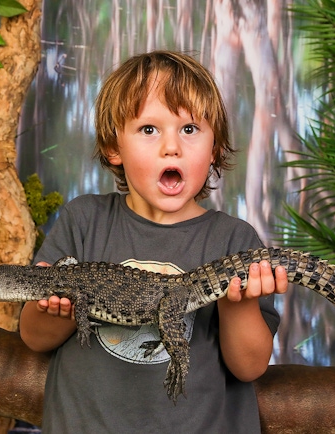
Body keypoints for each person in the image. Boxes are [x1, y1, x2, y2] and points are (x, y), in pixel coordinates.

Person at [19, 50, 289, 433]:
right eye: (149, 129)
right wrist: (53, 307)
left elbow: (249, 366)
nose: (171, 147)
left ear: (214, 149)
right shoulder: (85, 221)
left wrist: (237, 303)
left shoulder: (234, 240)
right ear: (115, 148)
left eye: (190, 129)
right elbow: (33, 338)